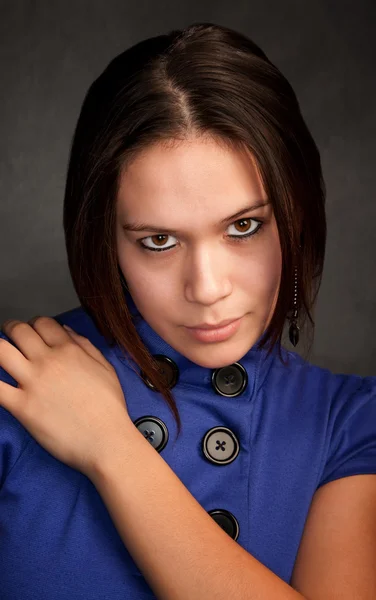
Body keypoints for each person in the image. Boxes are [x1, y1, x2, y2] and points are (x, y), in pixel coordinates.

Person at [0, 22, 375, 600]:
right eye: (158, 241)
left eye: (244, 227)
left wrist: (111, 447)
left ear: (296, 214)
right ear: (105, 238)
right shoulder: (15, 384)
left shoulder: (347, 423)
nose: (206, 287)